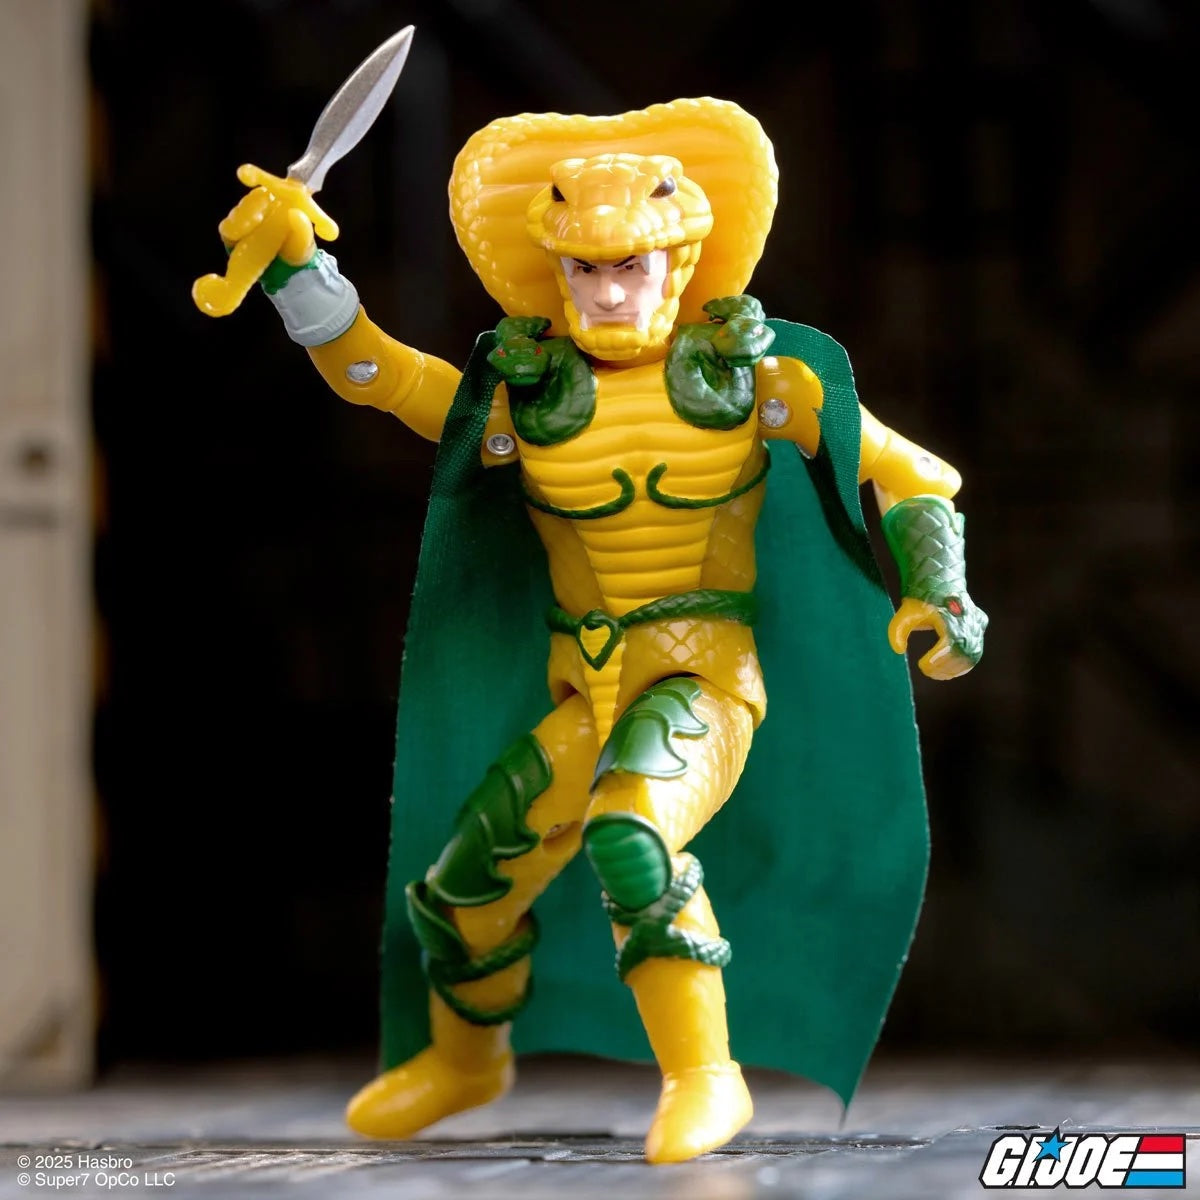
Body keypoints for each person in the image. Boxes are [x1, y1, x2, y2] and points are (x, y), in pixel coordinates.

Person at [208, 97, 987, 1164]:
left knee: (633, 834)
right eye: (586, 270)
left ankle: (705, 1075)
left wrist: (941, 589)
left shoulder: (754, 382)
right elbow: (384, 380)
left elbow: (914, 474)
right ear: (556, 271)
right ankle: (466, 1061)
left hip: (703, 681)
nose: (610, 292)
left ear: (682, 261)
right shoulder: (528, 401)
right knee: (464, 889)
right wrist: (303, 276)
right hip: (589, 681)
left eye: (632, 266)